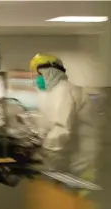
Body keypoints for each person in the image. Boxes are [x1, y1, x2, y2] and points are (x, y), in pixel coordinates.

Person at [30, 53, 100, 182]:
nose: (36, 79)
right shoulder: (52, 93)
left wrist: (42, 150)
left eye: (39, 74)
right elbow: (46, 122)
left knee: (79, 196)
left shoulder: (64, 90)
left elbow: (61, 129)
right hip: (69, 155)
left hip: (81, 158)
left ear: (50, 72)